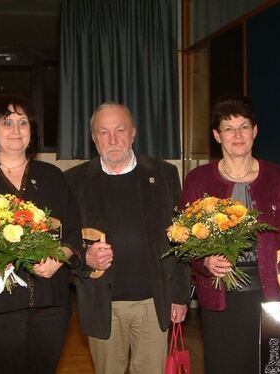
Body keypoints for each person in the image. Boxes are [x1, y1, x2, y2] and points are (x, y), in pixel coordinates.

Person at [0, 94, 80, 373]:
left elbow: (73, 232)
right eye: (7, 122)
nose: (16, 130)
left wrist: (60, 257)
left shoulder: (52, 176)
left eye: (23, 123)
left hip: (50, 304)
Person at [65, 102, 191, 374]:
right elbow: (64, 243)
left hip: (153, 303)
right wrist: (84, 258)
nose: (113, 139)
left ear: (133, 133)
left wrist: (180, 296)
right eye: (103, 132)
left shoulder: (164, 174)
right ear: (93, 138)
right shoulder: (73, 181)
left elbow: (182, 239)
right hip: (102, 304)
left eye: (120, 130)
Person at [179, 96, 280, 374]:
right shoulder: (198, 180)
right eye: (229, 129)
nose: (237, 135)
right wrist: (205, 262)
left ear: (255, 131)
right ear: (217, 136)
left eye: (244, 126)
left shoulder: (278, 177)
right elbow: (185, 238)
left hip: (267, 294)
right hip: (221, 294)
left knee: (265, 365)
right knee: (222, 365)